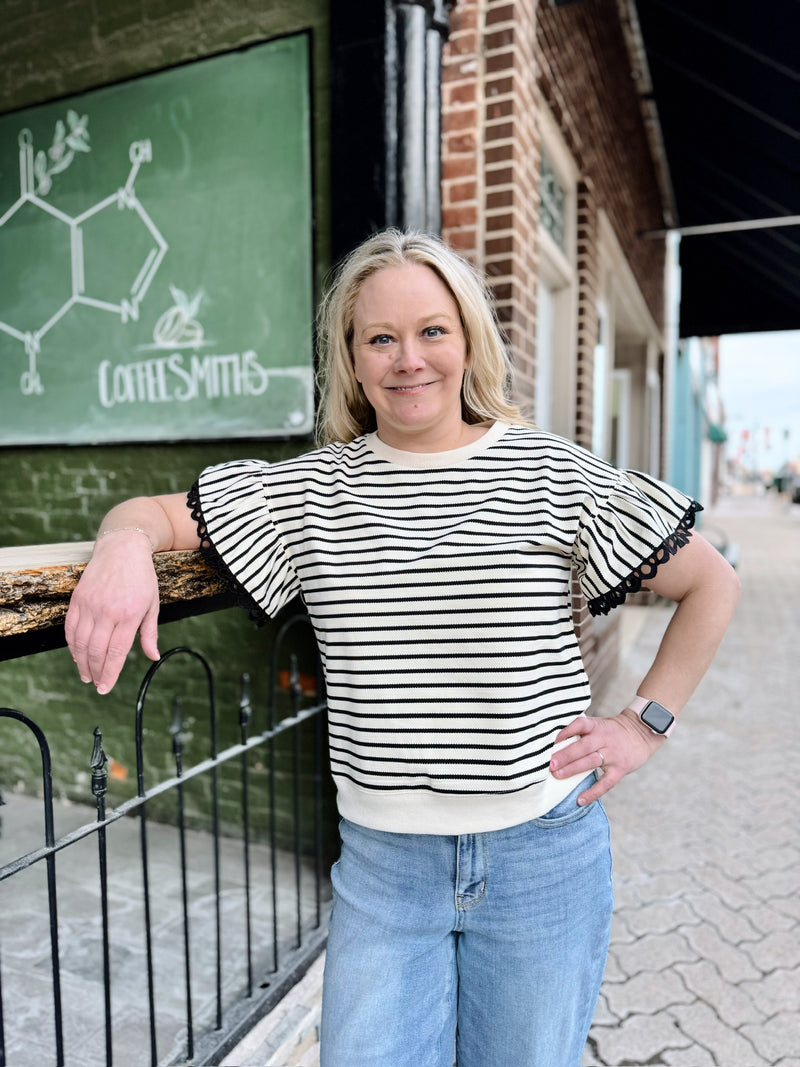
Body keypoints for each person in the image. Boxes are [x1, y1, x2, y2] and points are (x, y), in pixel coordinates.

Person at [66, 229, 740, 1067]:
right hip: (386, 872)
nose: (407, 358)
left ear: (467, 340)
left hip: (542, 856)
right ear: (351, 358)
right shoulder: (313, 488)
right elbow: (149, 515)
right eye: (379, 337)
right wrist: (122, 548)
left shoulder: (547, 472)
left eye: (431, 330)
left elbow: (711, 582)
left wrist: (645, 722)